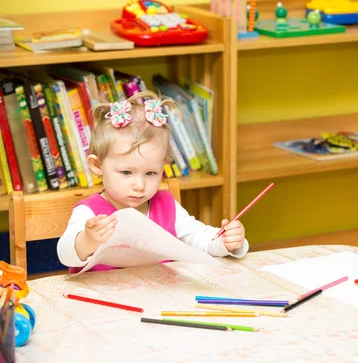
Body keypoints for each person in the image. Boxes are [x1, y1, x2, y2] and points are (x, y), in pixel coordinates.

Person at [57, 91, 248, 272]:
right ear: (97, 165)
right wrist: (87, 240)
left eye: (150, 173)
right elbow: (65, 254)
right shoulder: (89, 212)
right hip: (103, 302)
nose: (139, 185)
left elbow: (200, 239)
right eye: (126, 172)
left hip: (161, 299)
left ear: (162, 167)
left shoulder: (166, 206)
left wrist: (226, 241)